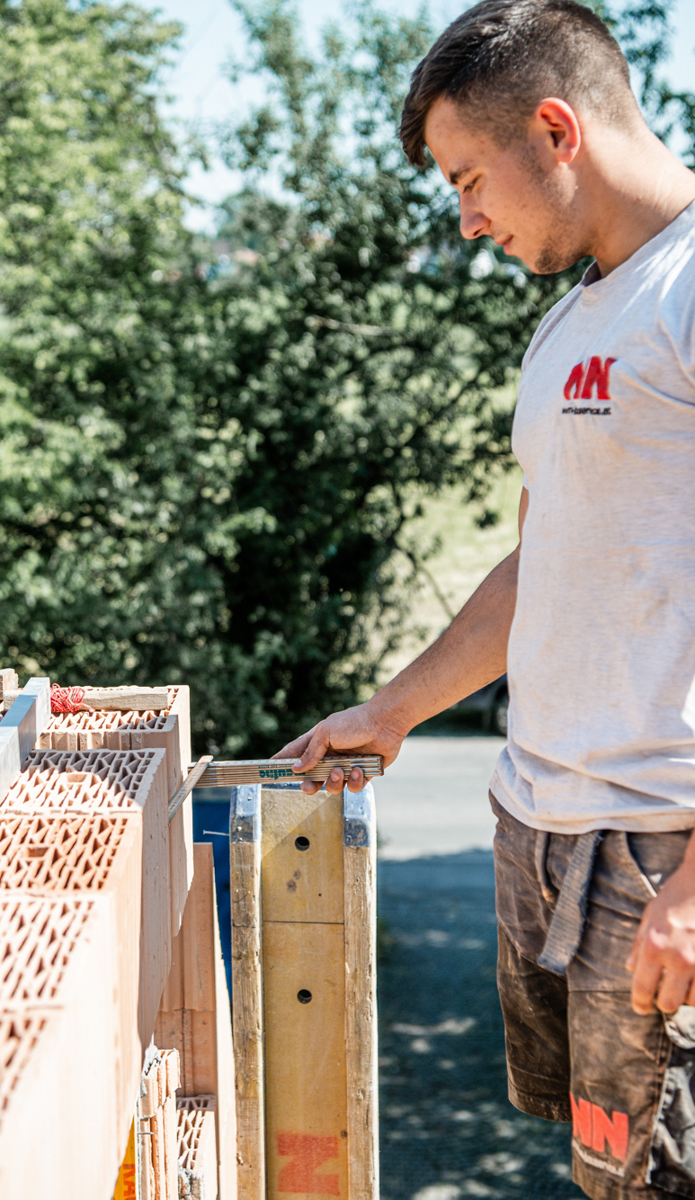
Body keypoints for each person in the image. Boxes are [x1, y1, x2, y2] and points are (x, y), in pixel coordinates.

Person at [275, 1, 695, 1195]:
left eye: (470, 178)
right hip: (546, 831)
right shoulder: (566, 328)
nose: (466, 221)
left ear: (555, 129)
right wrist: (397, 707)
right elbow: (540, 561)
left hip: (665, 850)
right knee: (609, 1176)